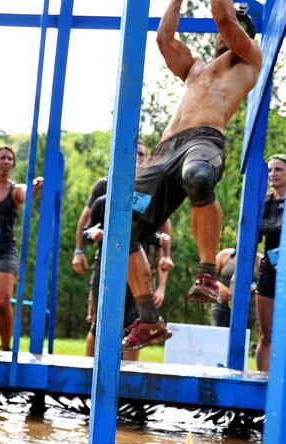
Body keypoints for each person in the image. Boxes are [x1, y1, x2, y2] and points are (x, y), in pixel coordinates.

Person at [122, 0, 262, 351]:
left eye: (236, 28)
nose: (223, 33)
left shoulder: (249, 59)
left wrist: (230, 19)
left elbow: (225, 18)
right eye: (222, 32)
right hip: (164, 150)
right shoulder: (196, 68)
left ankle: (208, 276)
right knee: (121, 223)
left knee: (198, 176)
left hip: (205, 139)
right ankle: (149, 320)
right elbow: (163, 39)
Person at [83, 193, 173, 358]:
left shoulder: (145, 203)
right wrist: (92, 233)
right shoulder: (102, 202)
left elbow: (156, 237)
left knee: (135, 324)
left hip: (136, 272)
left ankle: (129, 374)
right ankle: (88, 371)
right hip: (105, 268)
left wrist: (163, 244)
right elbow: (86, 232)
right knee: (100, 323)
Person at [0, 145, 42, 351]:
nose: (6, 162)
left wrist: (35, 186)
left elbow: (27, 192)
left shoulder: (15, 190)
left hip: (4, 251)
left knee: (0, 300)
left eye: (10, 159)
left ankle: (5, 348)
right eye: (2, 158)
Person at [72, 140, 147, 276]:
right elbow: (85, 222)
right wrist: (79, 251)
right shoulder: (104, 186)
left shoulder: (147, 189)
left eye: (141, 154)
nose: (137, 157)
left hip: (140, 260)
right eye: (134, 153)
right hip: (108, 259)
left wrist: (165, 256)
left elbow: (163, 226)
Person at [255, 154, 286, 372]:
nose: (272, 174)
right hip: (269, 271)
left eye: (278, 170)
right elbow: (249, 239)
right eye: (269, 170)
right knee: (266, 333)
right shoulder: (264, 203)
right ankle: (260, 383)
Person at [210, 247, 262, 329]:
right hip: (221, 305)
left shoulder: (260, 260)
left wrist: (250, 287)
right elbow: (209, 277)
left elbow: (266, 285)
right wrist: (219, 286)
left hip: (247, 309)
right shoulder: (224, 255)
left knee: (241, 338)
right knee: (217, 334)